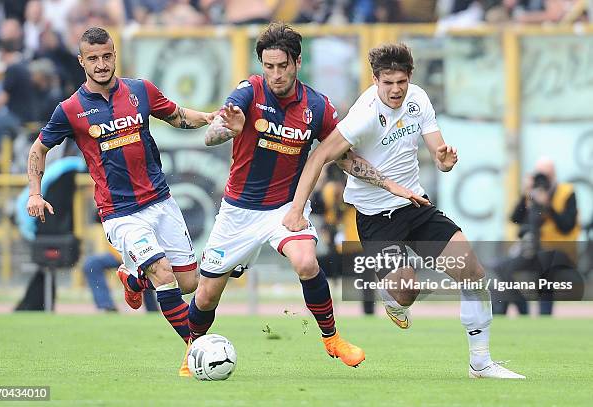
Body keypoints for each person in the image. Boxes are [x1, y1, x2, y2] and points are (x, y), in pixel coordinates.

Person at [179, 23, 428, 377]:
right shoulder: (248, 91)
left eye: (282, 66)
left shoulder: (317, 106)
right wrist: (226, 129)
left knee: (306, 262)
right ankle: (192, 351)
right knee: (205, 296)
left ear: (297, 62)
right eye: (269, 66)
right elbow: (212, 134)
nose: (275, 74)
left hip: (285, 208)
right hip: (237, 211)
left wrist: (389, 184)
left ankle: (332, 339)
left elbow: (344, 157)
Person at [283, 43, 526, 379]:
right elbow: (319, 156)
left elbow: (437, 150)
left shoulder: (418, 99)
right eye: (388, 83)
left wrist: (443, 161)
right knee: (407, 291)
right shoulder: (364, 115)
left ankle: (481, 363)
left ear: (410, 77)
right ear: (375, 80)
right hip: (376, 218)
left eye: (401, 81)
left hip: (416, 205)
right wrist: (297, 210)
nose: (395, 89)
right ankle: (393, 297)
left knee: (472, 271)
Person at [26, 27, 214, 370]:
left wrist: (211, 118)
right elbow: (39, 147)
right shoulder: (71, 109)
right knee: (162, 272)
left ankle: (132, 278)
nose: (101, 64)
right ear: (82, 62)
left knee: (189, 284)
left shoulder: (141, 90)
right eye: (93, 58)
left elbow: (177, 116)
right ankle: (199, 347)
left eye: (107, 56)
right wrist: (35, 193)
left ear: (115, 55)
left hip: (161, 202)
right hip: (120, 214)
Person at [493, 157, 580, 315]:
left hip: (559, 249)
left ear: (554, 174)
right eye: (539, 174)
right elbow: (515, 218)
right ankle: (523, 308)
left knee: (545, 268)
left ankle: (543, 316)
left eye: (546, 174)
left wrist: (548, 206)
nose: (542, 179)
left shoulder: (566, 192)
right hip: (534, 249)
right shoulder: (532, 193)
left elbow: (567, 226)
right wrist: (525, 194)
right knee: (502, 268)